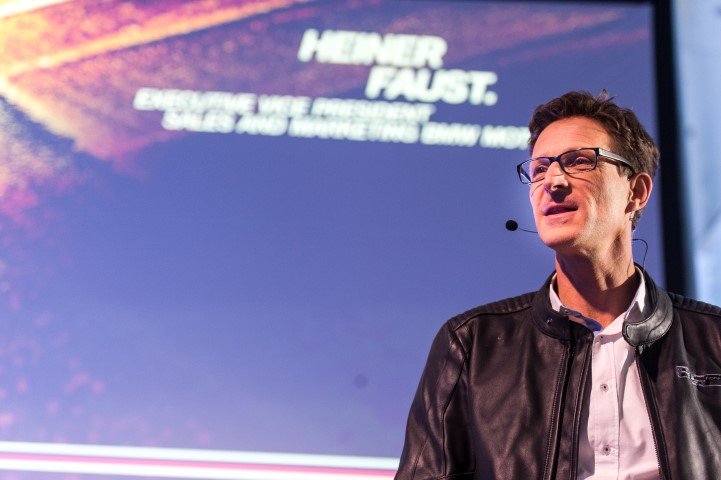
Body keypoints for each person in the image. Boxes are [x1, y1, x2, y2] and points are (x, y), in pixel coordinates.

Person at [394, 91, 721, 480]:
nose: (553, 181)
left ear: (636, 192)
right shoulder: (471, 344)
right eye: (539, 169)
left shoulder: (714, 340)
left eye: (579, 161)